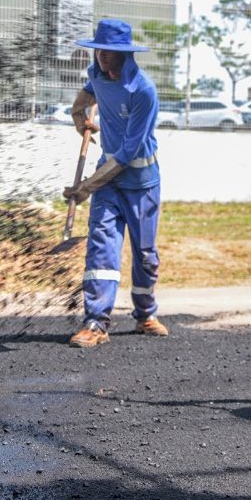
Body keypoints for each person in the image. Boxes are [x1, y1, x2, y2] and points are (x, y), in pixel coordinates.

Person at [63, 18, 170, 348]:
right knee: (101, 248)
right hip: (108, 183)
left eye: (110, 52)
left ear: (126, 54)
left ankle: (145, 314)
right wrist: (80, 117)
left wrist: (85, 188)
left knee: (145, 254)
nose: (102, 58)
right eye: (99, 51)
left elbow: (126, 153)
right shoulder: (96, 75)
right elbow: (83, 100)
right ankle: (96, 322)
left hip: (141, 184)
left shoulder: (143, 91)